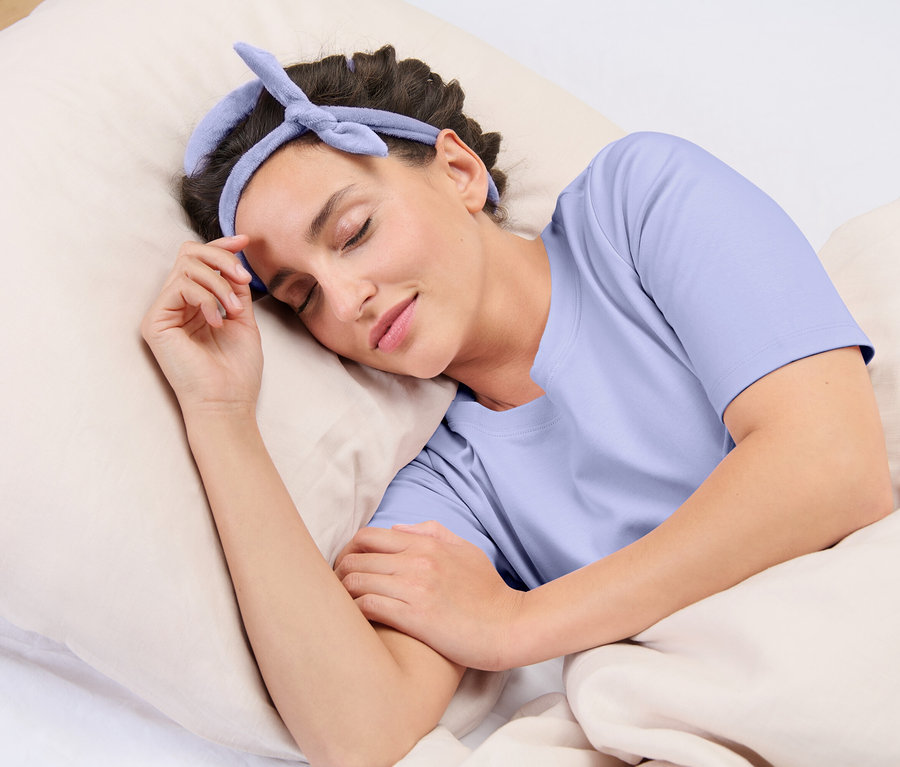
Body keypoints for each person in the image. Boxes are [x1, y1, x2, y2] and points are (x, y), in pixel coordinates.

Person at [141, 42, 893, 767]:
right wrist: (220, 414)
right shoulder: (444, 480)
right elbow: (358, 736)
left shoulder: (634, 204)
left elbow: (832, 463)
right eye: (303, 298)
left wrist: (518, 624)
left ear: (460, 171)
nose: (345, 301)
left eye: (353, 231)